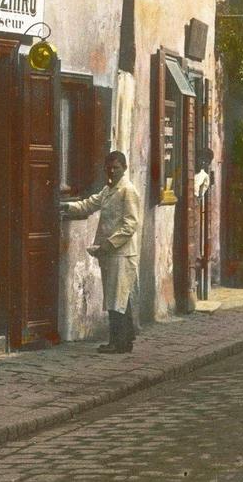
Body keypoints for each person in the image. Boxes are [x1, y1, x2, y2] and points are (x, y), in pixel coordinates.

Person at [61, 150, 142, 353]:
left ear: (124, 168)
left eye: (116, 167)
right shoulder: (108, 190)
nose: (112, 171)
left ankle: (117, 343)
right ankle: (126, 339)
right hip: (111, 253)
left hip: (122, 253)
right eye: (109, 167)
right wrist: (66, 207)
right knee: (117, 297)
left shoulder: (127, 191)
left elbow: (130, 224)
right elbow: (89, 204)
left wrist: (109, 244)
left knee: (117, 298)